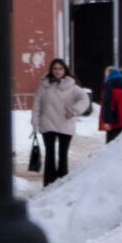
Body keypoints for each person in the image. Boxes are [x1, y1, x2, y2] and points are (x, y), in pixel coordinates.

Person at [32, 58, 92, 186]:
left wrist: (74, 111)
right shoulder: (44, 85)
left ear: (65, 70)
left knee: (63, 155)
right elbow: (37, 104)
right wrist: (34, 122)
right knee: (50, 155)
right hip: (47, 123)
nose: (57, 71)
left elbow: (85, 99)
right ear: (51, 70)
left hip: (66, 123)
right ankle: (48, 184)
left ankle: (62, 185)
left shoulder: (73, 87)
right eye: (55, 69)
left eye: (60, 68)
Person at [98, 67, 122, 140]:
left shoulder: (109, 86)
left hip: (114, 121)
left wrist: (107, 121)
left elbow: (107, 104)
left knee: (112, 145)